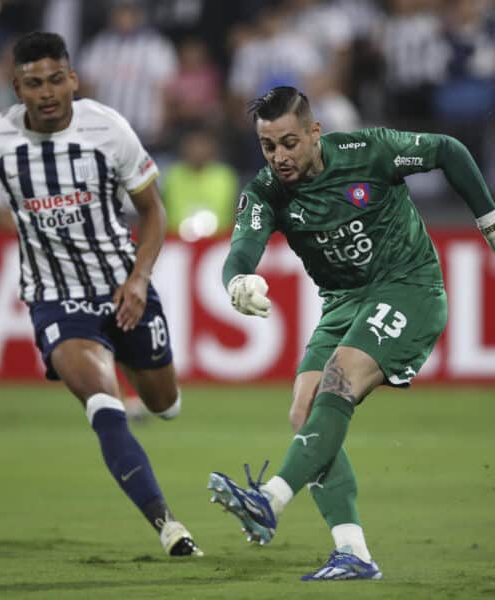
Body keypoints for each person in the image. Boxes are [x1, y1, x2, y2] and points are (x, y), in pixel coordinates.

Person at [207, 86, 495, 580]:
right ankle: (354, 553)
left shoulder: (370, 151)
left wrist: (489, 221)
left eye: (290, 143)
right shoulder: (265, 191)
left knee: (339, 378)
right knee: (304, 412)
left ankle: (270, 499)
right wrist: (237, 280)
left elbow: (448, 150)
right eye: (268, 146)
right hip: (342, 305)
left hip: (409, 288)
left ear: (316, 133)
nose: (280, 157)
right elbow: (243, 247)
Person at [0, 31, 202, 557]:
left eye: (56, 79)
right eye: (34, 83)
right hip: (55, 298)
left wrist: (140, 278)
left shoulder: (109, 129)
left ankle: (137, 374)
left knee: (163, 403)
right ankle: (168, 524)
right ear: (16, 87)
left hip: (124, 286)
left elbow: (152, 211)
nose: (48, 92)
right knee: (104, 404)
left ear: (73, 79)